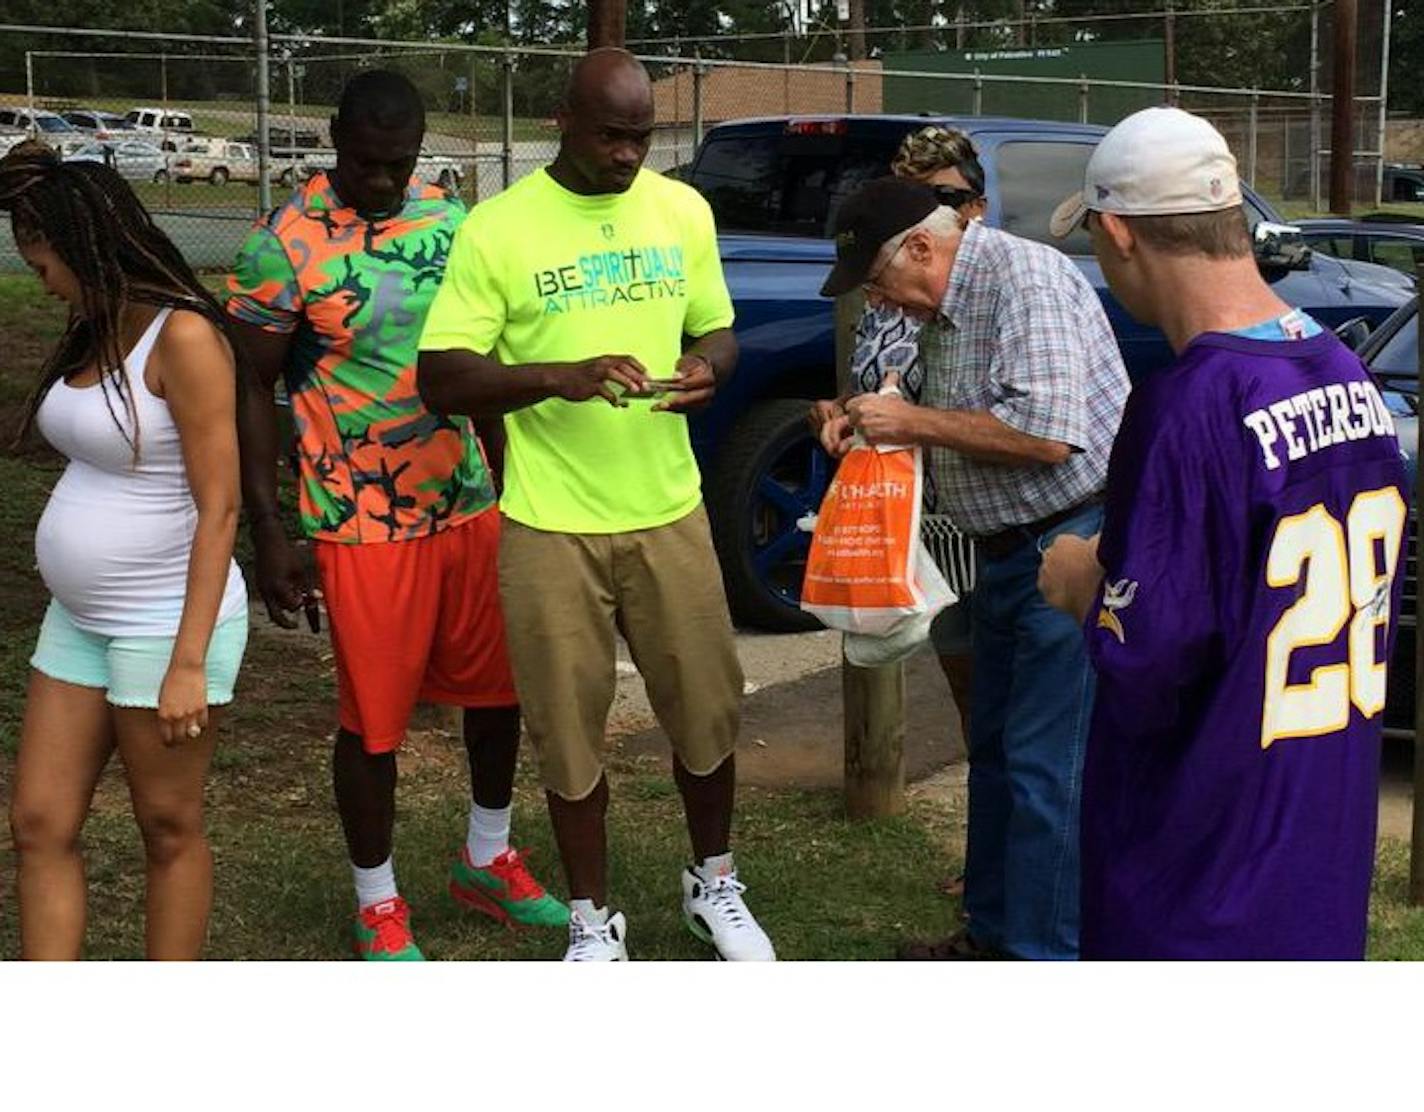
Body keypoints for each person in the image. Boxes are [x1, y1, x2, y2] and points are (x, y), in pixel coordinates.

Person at [418, 49, 774, 962]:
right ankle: (591, 919)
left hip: (668, 508)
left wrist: (710, 366)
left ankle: (714, 883)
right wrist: (556, 377)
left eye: (642, 138)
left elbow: (719, 328)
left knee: (705, 710)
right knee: (567, 729)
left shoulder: (681, 209)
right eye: (612, 136)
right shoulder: (498, 228)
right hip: (549, 522)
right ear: (562, 121)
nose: (628, 156)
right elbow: (441, 378)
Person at [1039, 107, 1408, 959]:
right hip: (1318, 832)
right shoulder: (1342, 366)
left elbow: (1151, 659)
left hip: (1202, 860)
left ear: (1121, 232)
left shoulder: (1190, 401)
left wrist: (1083, 582)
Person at [227, 70, 566, 962]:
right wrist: (270, 527)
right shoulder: (282, 244)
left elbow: (479, 357)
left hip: (467, 503)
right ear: (334, 136)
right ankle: (377, 901)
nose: (383, 180)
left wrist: (511, 477)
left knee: (498, 696)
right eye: (367, 162)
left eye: (400, 163)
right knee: (373, 720)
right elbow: (249, 388)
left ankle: (487, 857)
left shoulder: (450, 223)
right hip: (359, 518)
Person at [818, 176, 1129, 960]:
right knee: (995, 755)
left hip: (1070, 542)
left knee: (1044, 768)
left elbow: (1049, 434)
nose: (883, 305)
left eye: (882, 284)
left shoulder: (1025, 278)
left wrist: (909, 420)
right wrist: (856, 421)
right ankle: (990, 940)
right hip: (1005, 551)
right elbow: (930, 401)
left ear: (922, 246)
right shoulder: (947, 295)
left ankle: (1042, 958)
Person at [2, 141, 248, 960]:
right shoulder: (94, 324)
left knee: (167, 826)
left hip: (164, 622)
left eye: (44, 264)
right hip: (79, 620)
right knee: (38, 821)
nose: (42, 280)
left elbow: (222, 508)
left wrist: (187, 662)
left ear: (85, 248)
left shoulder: (181, 338)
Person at [809, 125, 987, 747]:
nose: (923, 214)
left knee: (1017, 702)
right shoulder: (883, 295)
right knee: (969, 694)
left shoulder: (995, 289)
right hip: (919, 527)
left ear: (974, 209)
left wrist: (904, 419)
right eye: (908, 197)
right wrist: (840, 413)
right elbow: (877, 390)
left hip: (988, 525)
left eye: (940, 197)